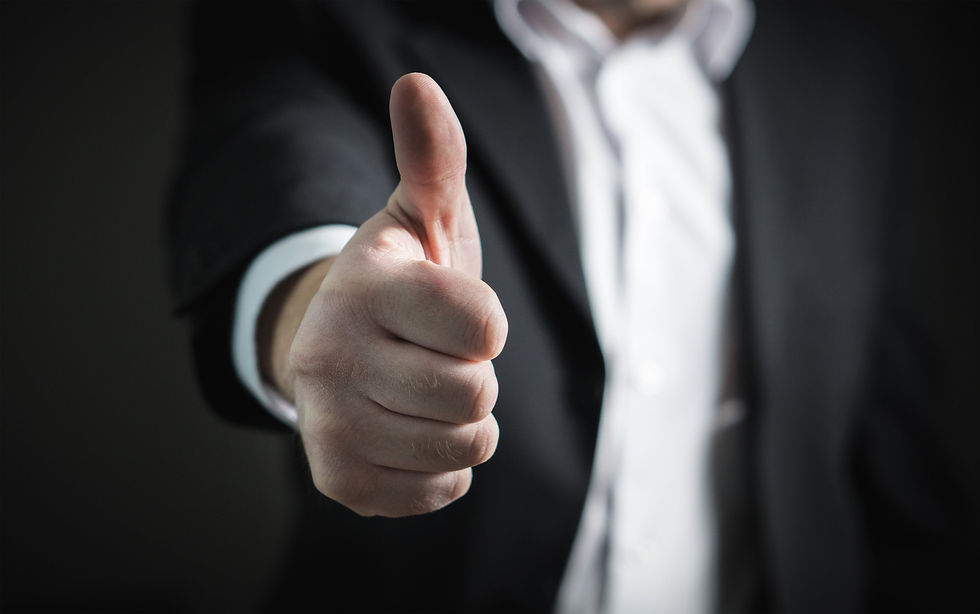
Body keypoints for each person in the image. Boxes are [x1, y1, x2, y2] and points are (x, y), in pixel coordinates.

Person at [169, 1, 979, 612]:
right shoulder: (333, 19)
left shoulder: (849, 60)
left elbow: (894, 453)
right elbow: (280, 181)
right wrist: (323, 325)